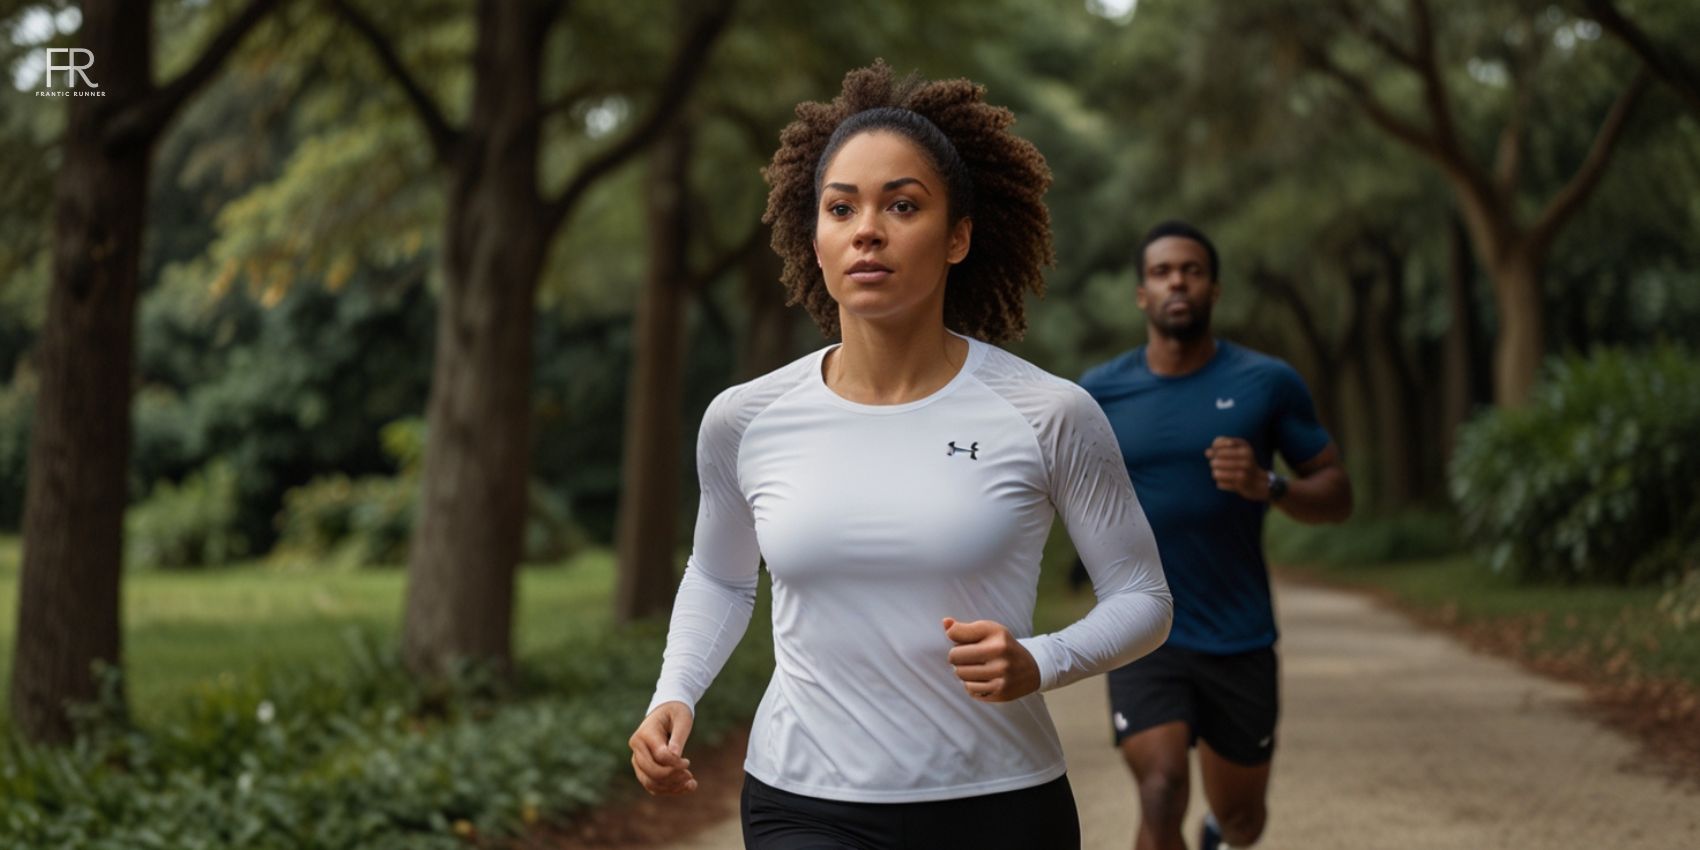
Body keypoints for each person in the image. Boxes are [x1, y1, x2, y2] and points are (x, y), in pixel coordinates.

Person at [626, 61, 1174, 850]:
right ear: (813, 237)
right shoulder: (745, 420)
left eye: (902, 205)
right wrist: (674, 691)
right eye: (840, 207)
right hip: (802, 799)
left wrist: (1040, 659)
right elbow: (719, 574)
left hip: (997, 801)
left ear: (958, 238)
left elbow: (1143, 596)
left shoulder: (1048, 413)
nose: (867, 230)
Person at [1080, 220, 1353, 850]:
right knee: (1161, 788)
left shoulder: (1267, 383)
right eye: (1162, 271)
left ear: (1214, 288)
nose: (1177, 280)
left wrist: (1271, 486)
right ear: (1142, 294)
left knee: (1242, 821)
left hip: (1238, 632)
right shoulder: (1098, 393)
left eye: (1192, 270)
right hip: (1143, 626)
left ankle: (1217, 833)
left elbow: (1337, 494)